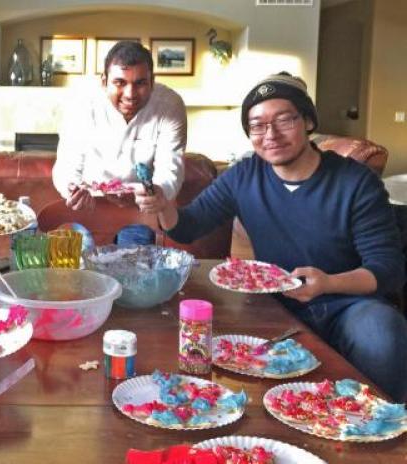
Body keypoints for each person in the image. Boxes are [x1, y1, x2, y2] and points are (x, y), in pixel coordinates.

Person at [151, 72, 407, 401]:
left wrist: (327, 283)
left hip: (349, 304)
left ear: (308, 121)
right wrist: (162, 203)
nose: (270, 134)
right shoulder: (244, 176)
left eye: (284, 120)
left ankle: (393, 434)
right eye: (257, 125)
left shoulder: (355, 182)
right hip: (274, 304)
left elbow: (387, 268)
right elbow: (188, 226)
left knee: (382, 332)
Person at [52, 40, 187, 223]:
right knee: (82, 249)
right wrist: (72, 189)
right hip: (90, 203)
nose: (130, 94)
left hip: (140, 207)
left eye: (140, 83)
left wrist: (159, 192)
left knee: (134, 249)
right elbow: (67, 165)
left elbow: (170, 168)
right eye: (119, 82)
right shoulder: (81, 104)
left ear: (152, 82)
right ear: (104, 82)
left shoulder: (170, 105)